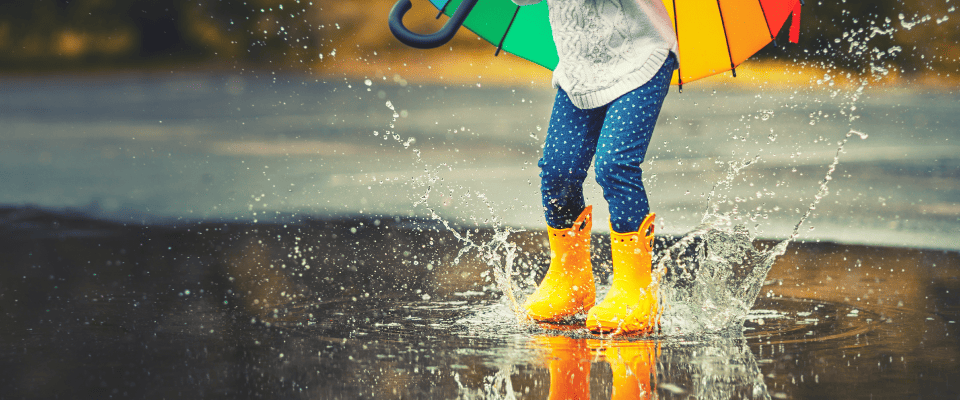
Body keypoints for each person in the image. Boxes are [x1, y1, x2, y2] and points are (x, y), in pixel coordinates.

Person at [514, 0, 679, 334]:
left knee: (615, 165)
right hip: (580, 69)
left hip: (640, 56)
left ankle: (636, 289)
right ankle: (570, 281)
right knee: (559, 171)